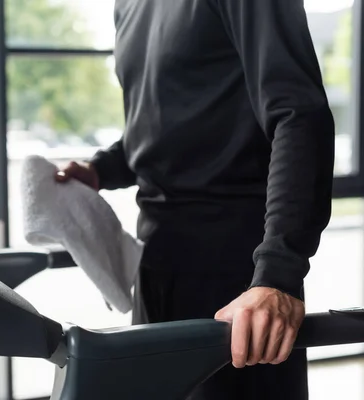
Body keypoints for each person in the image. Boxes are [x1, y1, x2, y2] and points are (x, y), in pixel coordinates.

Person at [55, 1, 335, 399]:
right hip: (157, 269)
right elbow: (156, 125)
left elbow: (299, 115)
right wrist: (100, 170)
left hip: (237, 282)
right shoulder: (128, 6)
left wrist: (278, 275)